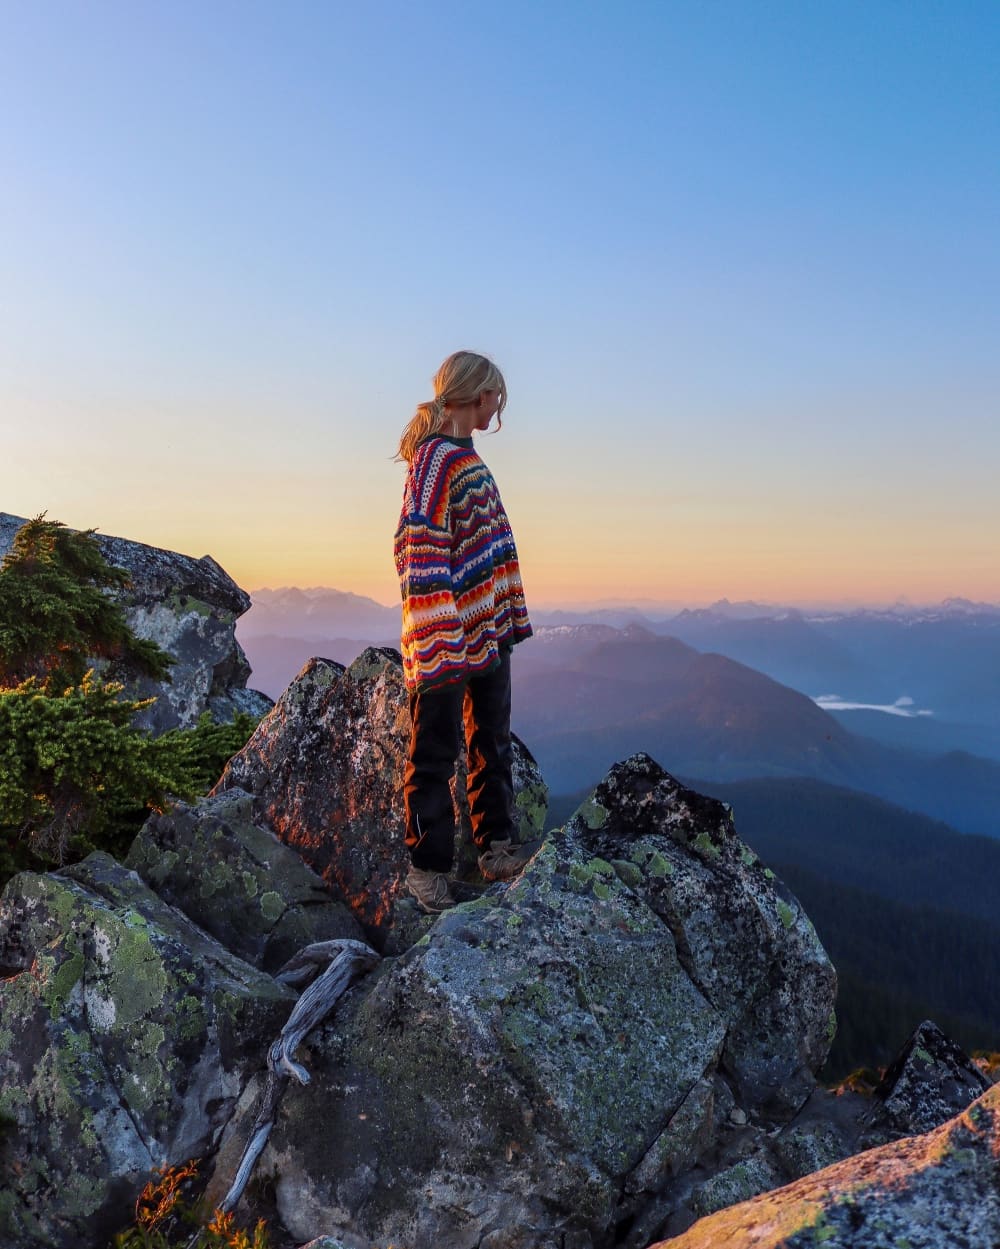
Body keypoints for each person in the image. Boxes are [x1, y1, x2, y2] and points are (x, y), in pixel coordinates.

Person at [394, 350, 533, 913]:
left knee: (491, 738)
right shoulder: (433, 460)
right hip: (444, 632)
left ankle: (495, 847)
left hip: (484, 625)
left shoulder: (465, 457)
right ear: (477, 394)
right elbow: (417, 544)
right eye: (496, 395)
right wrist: (439, 627)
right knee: (434, 751)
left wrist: (497, 610)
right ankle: (426, 872)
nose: (499, 406)